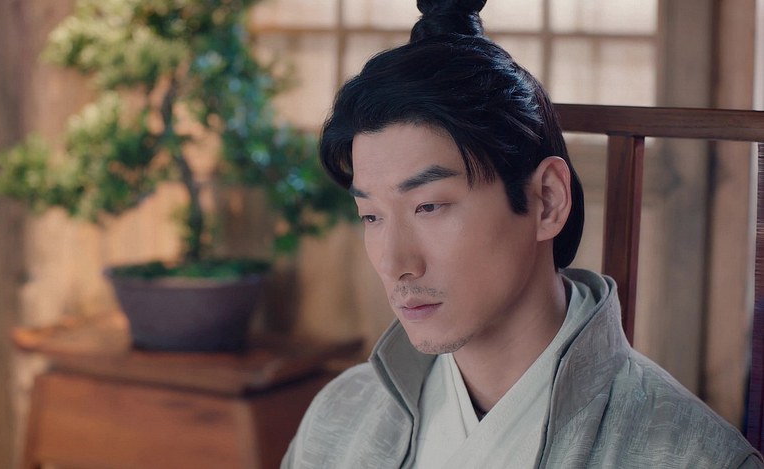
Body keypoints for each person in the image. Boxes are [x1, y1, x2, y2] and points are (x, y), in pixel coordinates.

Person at [281, 0, 764, 467]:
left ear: (546, 200)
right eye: (371, 216)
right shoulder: (339, 416)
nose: (394, 264)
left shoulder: (693, 457)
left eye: (428, 206)